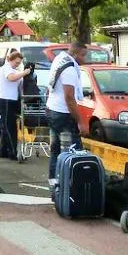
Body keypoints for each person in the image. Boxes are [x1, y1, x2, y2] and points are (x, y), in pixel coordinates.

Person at [46, 42, 88, 183]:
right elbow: (69, 97)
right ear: (75, 54)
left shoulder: (59, 60)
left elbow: (49, 87)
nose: (84, 59)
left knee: (56, 150)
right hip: (64, 115)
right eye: (83, 55)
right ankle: (71, 187)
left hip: (52, 110)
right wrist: (81, 122)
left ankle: (55, 184)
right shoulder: (69, 69)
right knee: (73, 152)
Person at [0, 51, 32, 161]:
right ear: (10, 60)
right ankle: (13, 152)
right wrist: (24, 73)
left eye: (19, 63)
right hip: (6, 100)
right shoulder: (6, 68)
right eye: (16, 62)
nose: (17, 64)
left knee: (6, 127)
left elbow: (18, 83)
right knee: (10, 128)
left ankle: (3, 151)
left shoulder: (14, 70)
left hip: (11, 100)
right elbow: (11, 78)